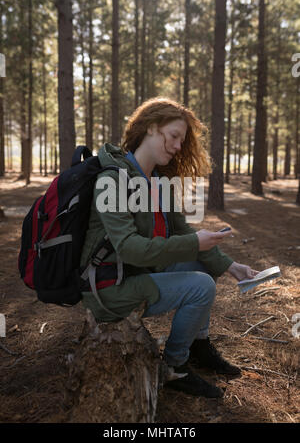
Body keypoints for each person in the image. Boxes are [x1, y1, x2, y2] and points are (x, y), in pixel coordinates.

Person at [80, 97, 258, 398]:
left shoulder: (157, 181)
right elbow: (129, 248)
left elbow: (182, 230)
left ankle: (198, 347)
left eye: (181, 140)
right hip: (108, 286)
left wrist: (230, 266)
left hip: (137, 273)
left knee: (204, 266)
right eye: (174, 136)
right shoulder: (111, 180)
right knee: (201, 286)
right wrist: (192, 243)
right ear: (150, 127)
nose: (177, 146)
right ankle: (175, 368)